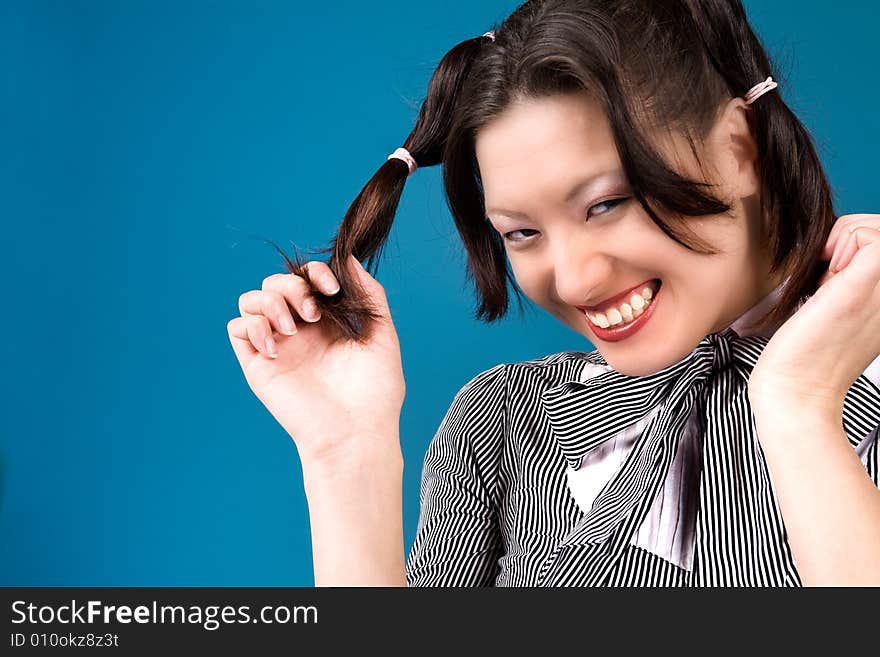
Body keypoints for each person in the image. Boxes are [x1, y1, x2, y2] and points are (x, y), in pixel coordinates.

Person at [226, 0, 880, 586]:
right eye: (522, 232)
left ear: (738, 150)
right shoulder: (502, 421)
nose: (573, 279)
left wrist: (800, 405)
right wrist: (347, 455)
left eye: (606, 204)